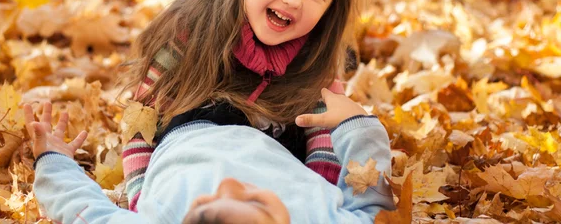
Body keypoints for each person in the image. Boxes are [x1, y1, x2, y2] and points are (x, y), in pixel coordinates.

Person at [25, 0, 395, 222]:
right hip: (283, 151)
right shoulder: (318, 216)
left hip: (190, 129)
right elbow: (370, 200)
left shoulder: (165, 215)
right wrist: (357, 125)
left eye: (209, 205)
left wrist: (60, 164)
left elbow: (91, 199)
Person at [25, 88, 394, 223]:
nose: (228, 184)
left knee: (180, 59)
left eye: (202, 210)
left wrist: (53, 160)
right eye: (256, 204)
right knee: (311, 90)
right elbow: (371, 201)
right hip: (279, 137)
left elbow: (84, 212)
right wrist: (357, 124)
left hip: (183, 126)